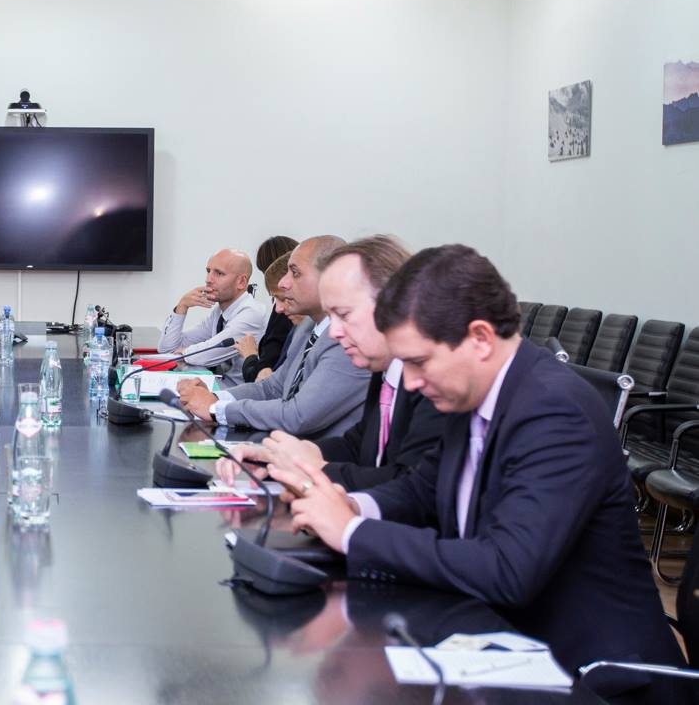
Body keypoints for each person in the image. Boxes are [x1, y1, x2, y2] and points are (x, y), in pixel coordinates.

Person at [277, 244, 686, 701]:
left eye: (419, 362)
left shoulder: (555, 410)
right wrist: (351, 505)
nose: (410, 382)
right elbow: (422, 489)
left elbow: (508, 567)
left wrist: (352, 532)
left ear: (480, 339)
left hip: (595, 677)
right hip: (504, 645)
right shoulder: (476, 393)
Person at [217, 235, 446, 491]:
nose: (334, 333)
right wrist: (286, 457)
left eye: (344, 314)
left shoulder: (431, 383)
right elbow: (357, 444)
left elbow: (412, 484)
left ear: (393, 306)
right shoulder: (384, 372)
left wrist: (315, 473)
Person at [178, 236, 368, 439]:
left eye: (295, 273)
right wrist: (215, 398)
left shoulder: (347, 341)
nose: (284, 282)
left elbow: (298, 416)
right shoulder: (307, 327)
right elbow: (272, 387)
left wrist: (217, 409)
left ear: (330, 277)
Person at [157, 248, 266, 383]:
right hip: (221, 387)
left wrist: (183, 353)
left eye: (219, 273)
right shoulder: (219, 312)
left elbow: (206, 355)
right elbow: (167, 349)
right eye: (208, 271)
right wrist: (182, 306)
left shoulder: (251, 313)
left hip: (239, 393)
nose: (208, 280)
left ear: (241, 282)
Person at [234, 244, 297, 383]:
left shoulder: (284, 318)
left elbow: (262, 378)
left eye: (282, 298)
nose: (278, 308)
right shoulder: (302, 329)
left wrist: (250, 355)